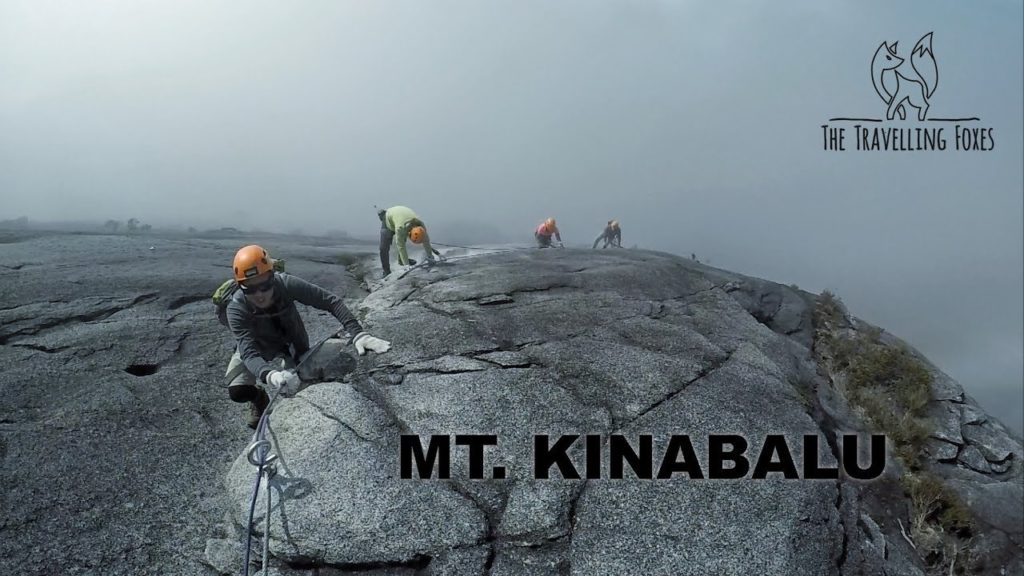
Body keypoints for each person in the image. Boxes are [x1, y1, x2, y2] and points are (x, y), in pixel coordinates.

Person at [224, 245, 391, 428]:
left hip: (290, 340)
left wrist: (358, 333)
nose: (259, 295)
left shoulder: (286, 284)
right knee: (237, 391)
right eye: (250, 288)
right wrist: (269, 375)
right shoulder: (236, 308)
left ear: (272, 276)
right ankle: (259, 398)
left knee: (297, 384)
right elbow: (248, 353)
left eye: (264, 285)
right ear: (240, 286)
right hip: (258, 345)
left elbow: (330, 302)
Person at [378, 206, 435, 277]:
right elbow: (401, 246)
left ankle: (401, 261)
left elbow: (426, 240)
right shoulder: (400, 228)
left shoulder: (421, 225)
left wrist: (430, 256)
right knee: (383, 248)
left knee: (402, 237)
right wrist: (407, 265)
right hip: (388, 220)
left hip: (400, 218)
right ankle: (386, 271)